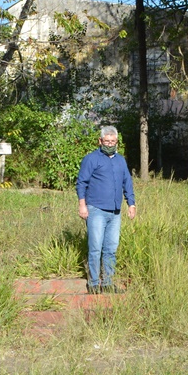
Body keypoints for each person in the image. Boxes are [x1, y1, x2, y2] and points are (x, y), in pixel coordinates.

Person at [75, 125, 136, 294]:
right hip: (96, 209)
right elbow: (81, 183)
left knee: (111, 248)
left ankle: (108, 282)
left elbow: (127, 183)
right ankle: (94, 283)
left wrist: (131, 204)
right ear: (100, 141)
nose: (110, 144)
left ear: (117, 142)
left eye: (113, 141)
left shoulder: (120, 160)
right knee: (95, 247)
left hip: (115, 212)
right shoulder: (91, 159)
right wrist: (82, 205)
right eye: (107, 141)